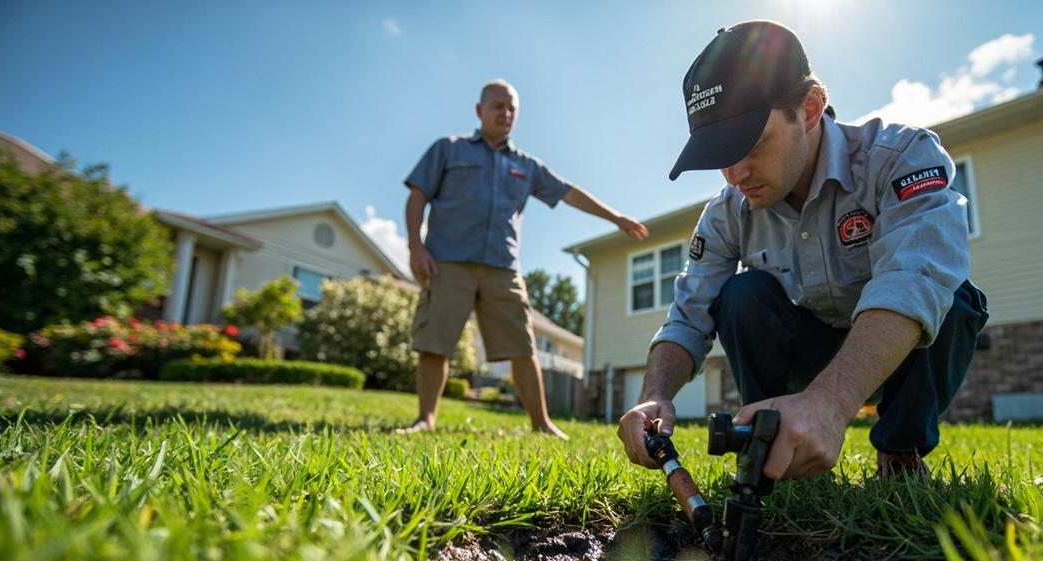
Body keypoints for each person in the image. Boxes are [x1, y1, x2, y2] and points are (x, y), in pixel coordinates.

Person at [618, 21, 988, 480]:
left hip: (898, 354)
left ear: (810, 109)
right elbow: (688, 315)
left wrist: (829, 404)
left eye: (750, 145)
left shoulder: (900, 157)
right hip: (807, 349)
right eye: (719, 156)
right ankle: (773, 446)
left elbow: (915, 279)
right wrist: (654, 393)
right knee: (741, 295)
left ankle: (900, 456)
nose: (734, 174)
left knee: (953, 295)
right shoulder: (726, 214)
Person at [405, 79, 648, 438]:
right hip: (448, 262)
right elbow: (417, 197)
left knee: (523, 346)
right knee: (435, 344)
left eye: (512, 108)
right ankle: (425, 418)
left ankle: (541, 423)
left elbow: (568, 192)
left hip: (502, 268)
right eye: (498, 106)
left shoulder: (525, 165)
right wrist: (415, 246)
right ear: (480, 110)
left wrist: (615, 218)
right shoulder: (448, 150)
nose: (505, 113)